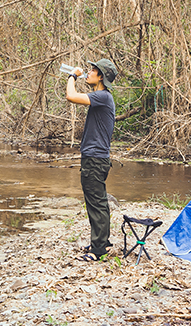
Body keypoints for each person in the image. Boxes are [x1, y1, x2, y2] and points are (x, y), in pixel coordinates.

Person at [65, 58, 117, 261]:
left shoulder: (103, 96)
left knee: (97, 203)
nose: (88, 73)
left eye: (92, 70)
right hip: (95, 158)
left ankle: (99, 250)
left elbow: (71, 96)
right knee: (97, 202)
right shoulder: (101, 96)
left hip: (95, 159)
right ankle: (101, 242)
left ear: (101, 76)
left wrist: (72, 76)